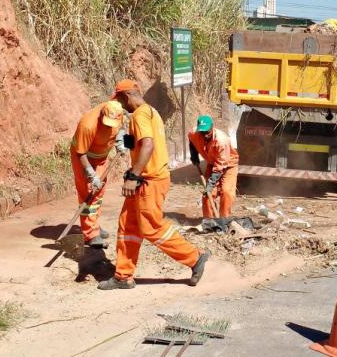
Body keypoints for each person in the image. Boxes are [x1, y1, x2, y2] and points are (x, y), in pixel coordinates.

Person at [98, 79, 210, 290]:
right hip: (147, 177)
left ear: (126, 96)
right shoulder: (151, 112)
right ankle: (123, 276)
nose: (122, 107)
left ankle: (195, 258)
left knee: (151, 227)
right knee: (128, 226)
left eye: (121, 102)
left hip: (149, 180)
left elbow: (148, 145)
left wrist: (133, 177)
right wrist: (130, 143)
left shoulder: (140, 115)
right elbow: (145, 143)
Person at [69, 99, 127, 248]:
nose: (109, 126)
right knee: (88, 193)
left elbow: (120, 128)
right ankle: (90, 234)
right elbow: (81, 153)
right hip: (84, 158)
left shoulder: (117, 114)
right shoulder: (87, 125)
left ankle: (94, 225)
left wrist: (120, 140)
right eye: (106, 123)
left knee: (98, 193)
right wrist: (91, 174)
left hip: (101, 157)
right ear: (101, 115)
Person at [188, 115, 239, 218]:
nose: (205, 135)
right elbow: (192, 141)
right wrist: (194, 155)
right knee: (208, 194)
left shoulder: (221, 141)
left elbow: (220, 166)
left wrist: (210, 184)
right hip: (213, 163)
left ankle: (224, 220)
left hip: (229, 164)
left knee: (226, 192)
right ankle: (209, 220)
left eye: (207, 132)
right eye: (202, 132)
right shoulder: (194, 133)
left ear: (212, 127)